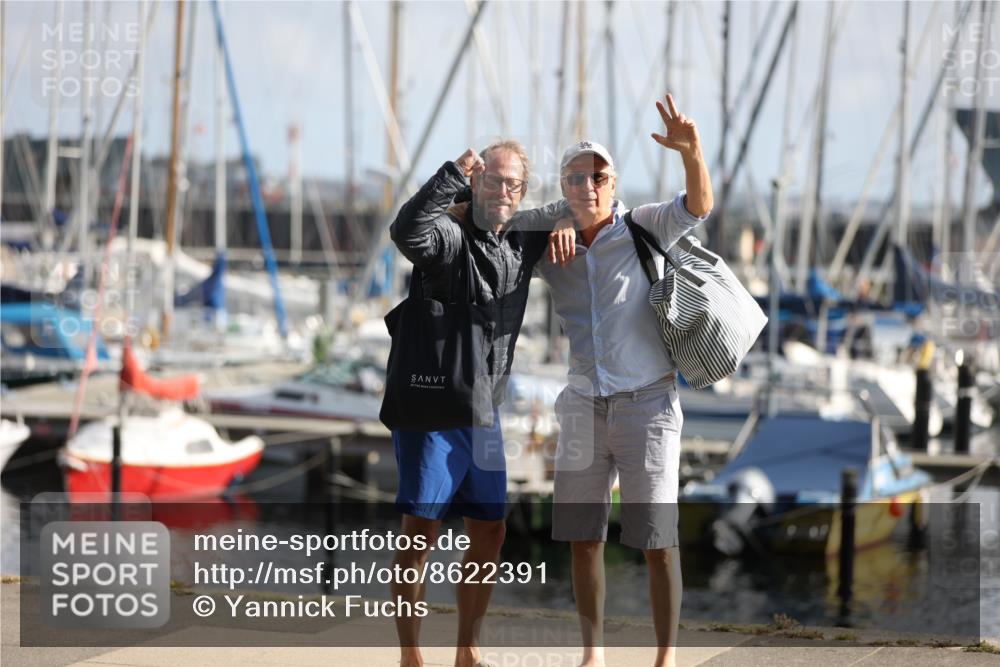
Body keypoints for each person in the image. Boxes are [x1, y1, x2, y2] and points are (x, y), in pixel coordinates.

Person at [537, 94, 713, 667]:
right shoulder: (550, 241)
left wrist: (692, 152)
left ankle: (664, 659)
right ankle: (595, 655)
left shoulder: (643, 225)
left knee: (657, 542)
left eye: (597, 176)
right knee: (583, 539)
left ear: (612, 183)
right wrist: (555, 221)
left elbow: (699, 205)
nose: (586, 185)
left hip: (648, 403)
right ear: (563, 187)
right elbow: (503, 226)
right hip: (583, 404)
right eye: (574, 178)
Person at [387, 139, 573, 667]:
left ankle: (467, 648)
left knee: (491, 529)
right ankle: (410, 655)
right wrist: (450, 173)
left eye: (514, 183)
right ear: (475, 181)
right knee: (420, 532)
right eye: (494, 179)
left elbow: (582, 203)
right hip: (432, 408)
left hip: (485, 411)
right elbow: (406, 231)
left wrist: (560, 220)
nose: (504, 191)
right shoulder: (448, 238)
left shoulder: (521, 238)